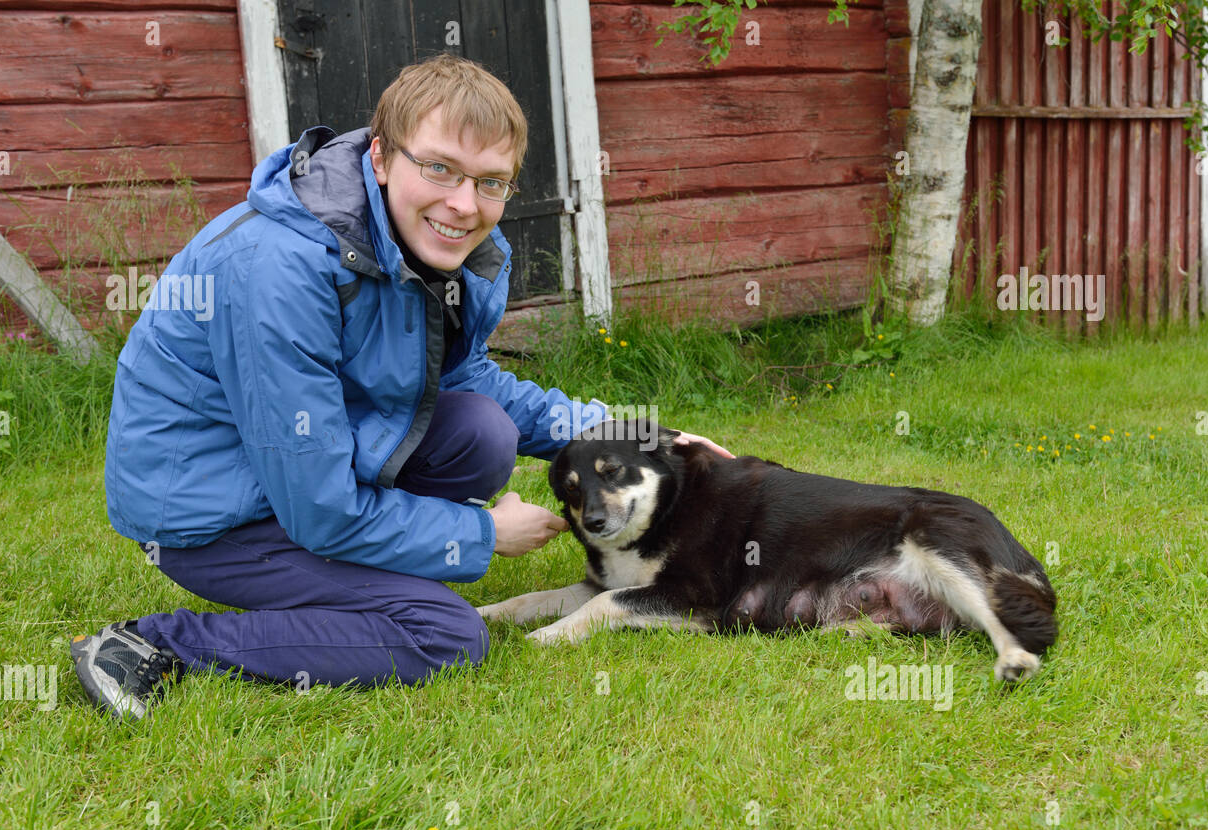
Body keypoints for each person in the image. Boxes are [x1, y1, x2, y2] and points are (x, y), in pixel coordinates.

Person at [71, 54, 730, 721]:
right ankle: (155, 641)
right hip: (211, 515)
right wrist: (480, 534)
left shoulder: (446, 247)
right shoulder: (278, 270)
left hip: (307, 467)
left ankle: (370, 581)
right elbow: (319, 508)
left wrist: (639, 433)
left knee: (482, 431)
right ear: (382, 158)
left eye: (491, 181)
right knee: (444, 635)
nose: (465, 204)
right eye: (439, 168)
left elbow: (466, 379)